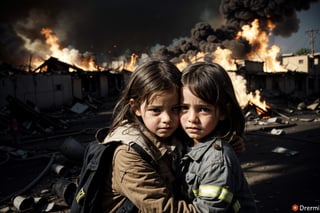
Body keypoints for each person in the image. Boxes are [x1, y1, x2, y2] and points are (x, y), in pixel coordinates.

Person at [100, 59, 245, 212]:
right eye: (155, 110)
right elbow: (164, 209)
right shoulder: (128, 154)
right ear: (136, 107)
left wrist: (229, 140)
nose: (167, 119)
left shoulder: (177, 134)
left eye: (176, 108)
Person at [179, 61, 258, 212]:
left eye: (203, 109)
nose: (191, 118)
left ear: (222, 112)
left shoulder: (217, 161)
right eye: (184, 108)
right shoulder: (184, 141)